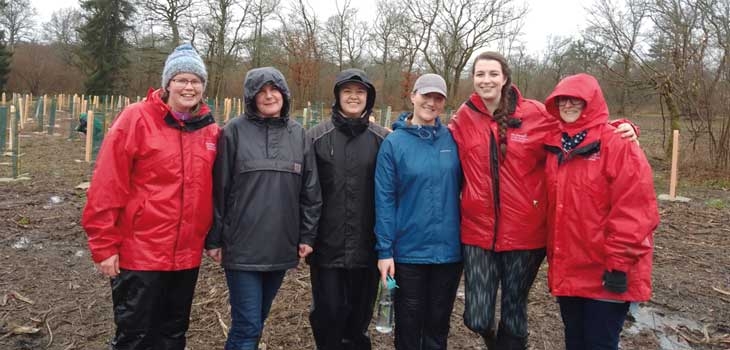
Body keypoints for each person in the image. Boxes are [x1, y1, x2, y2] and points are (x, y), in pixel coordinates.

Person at [448, 51, 638, 349]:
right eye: (480, 74)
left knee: (513, 312)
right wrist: (407, 128)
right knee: (477, 316)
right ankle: (493, 341)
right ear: (473, 79)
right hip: (477, 233)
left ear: (505, 78)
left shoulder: (535, 113)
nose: (486, 80)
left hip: (525, 235)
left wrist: (620, 128)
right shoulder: (463, 117)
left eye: (493, 74)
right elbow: (438, 144)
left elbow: (578, 127)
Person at [81, 43, 218, 350]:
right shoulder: (136, 119)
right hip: (140, 253)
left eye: (195, 81)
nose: (188, 86)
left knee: (173, 333)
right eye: (181, 79)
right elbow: (107, 184)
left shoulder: (209, 131)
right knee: (136, 334)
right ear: (167, 83)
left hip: (185, 256)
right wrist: (104, 245)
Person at [204, 67, 322, 350]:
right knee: (246, 326)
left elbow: (311, 191)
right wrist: (215, 239)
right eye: (261, 92)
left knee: (258, 319)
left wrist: (307, 236)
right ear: (250, 98)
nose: (269, 96)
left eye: (274, 90)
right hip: (242, 247)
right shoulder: (233, 132)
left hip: (281, 245)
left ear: (284, 94)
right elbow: (219, 190)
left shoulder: (299, 135)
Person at [542, 73, 658, 350]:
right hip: (571, 267)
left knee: (600, 343)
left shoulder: (617, 143)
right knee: (575, 340)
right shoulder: (555, 145)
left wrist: (618, 264)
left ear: (591, 102)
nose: (568, 105)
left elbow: (635, 210)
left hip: (608, 270)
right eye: (562, 100)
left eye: (576, 100)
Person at [375, 73, 462, 350]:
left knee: (438, 327)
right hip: (408, 253)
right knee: (409, 327)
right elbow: (385, 199)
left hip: (448, 252)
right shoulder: (394, 144)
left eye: (438, 98)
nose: (431, 102)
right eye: (426, 95)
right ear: (413, 96)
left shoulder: (453, 141)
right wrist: (385, 250)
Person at [306, 68, 390, 350]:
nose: (354, 97)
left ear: (369, 98)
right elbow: (305, 192)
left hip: (367, 247)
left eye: (360, 92)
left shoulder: (383, 140)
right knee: (327, 314)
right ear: (337, 96)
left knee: (359, 315)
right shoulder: (316, 138)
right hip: (326, 247)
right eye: (347, 92)